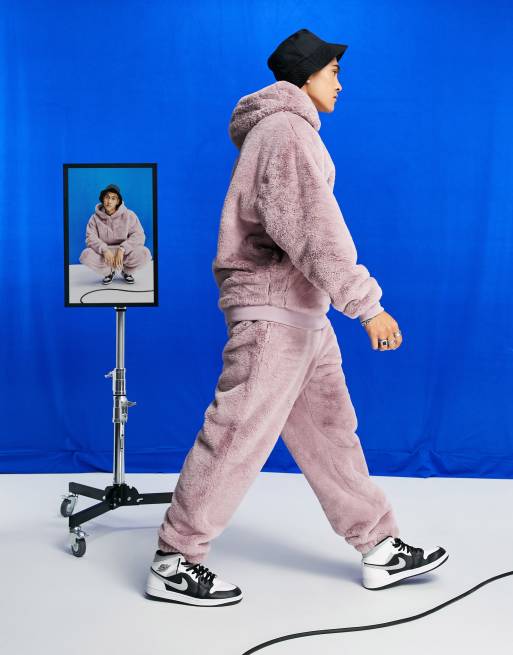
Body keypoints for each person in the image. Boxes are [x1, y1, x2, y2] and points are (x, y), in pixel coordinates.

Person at [145, 29, 448, 607]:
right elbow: (311, 228)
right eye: (333, 71)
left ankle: (379, 547)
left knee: (333, 435)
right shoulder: (284, 131)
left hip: (302, 311)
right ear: (306, 75)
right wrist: (368, 306)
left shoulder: (288, 131)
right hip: (273, 312)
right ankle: (175, 560)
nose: (340, 83)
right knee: (236, 435)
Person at [79, 183, 151, 284]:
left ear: (118, 201)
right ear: (103, 199)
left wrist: (122, 249)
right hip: (105, 254)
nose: (109, 201)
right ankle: (109, 272)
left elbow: (139, 236)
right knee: (86, 255)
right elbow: (90, 238)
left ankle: (126, 272)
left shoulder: (129, 215)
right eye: (107, 197)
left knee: (145, 253)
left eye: (113, 198)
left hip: (124, 253)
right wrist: (104, 249)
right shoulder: (94, 218)